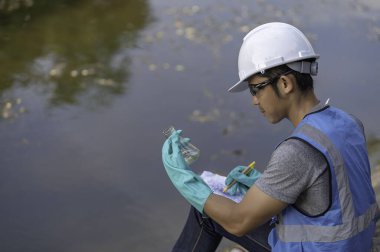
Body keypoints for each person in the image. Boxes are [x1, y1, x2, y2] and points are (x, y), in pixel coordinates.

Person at [162, 22, 379, 251]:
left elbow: (237, 222)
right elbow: (330, 193)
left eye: (256, 88)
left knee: (204, 213)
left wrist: (185, 180)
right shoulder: (349, 122)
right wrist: (262, 184)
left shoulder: (297, 152)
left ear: (285, 84)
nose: (254, 100)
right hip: (356, 245)